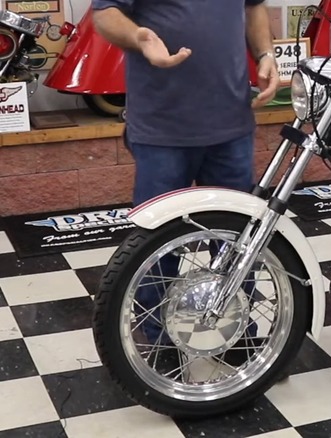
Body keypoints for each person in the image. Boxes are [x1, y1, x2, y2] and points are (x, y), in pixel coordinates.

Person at [91, 0, 280, 367]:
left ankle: (235, 332)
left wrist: (265, 53)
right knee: (157, 247)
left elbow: (254, 6)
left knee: (237, 243)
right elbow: (105, 14)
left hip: (231, 125)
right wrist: (139, 36)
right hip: (163, 128)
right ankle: (158, 341)